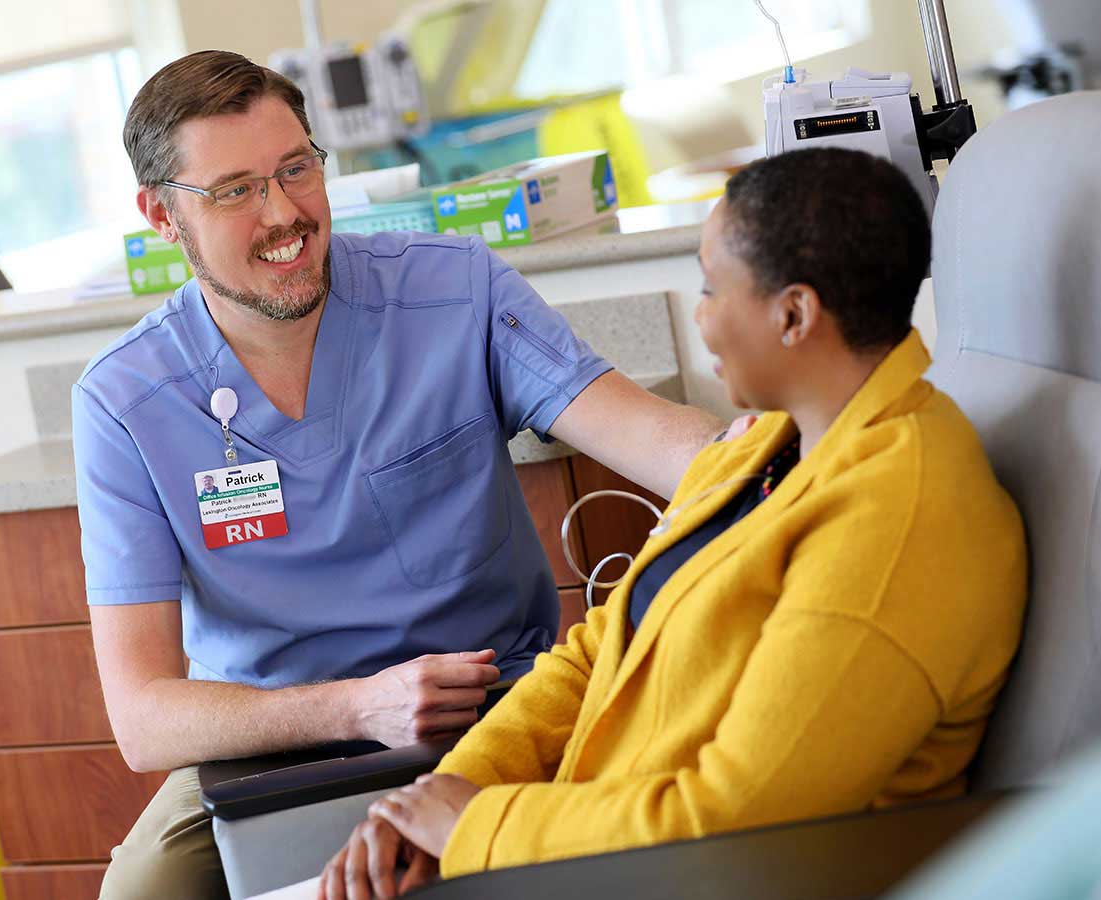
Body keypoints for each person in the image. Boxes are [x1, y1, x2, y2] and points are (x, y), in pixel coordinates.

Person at [72, 51, 728, 898]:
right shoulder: (126, 401)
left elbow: (656, 440)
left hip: (497, 707)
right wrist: (355, 706)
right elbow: (142, 720)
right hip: (273, 746)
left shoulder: (453, 291)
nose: (284, 214)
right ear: (163, 214)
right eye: (235, 191)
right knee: (143, 889)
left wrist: (783, 454)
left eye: (296, 169)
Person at [319, 147, 1029, 900]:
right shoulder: (769, 445)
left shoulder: (894, 521)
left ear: (793, 315)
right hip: (590, 852)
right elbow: (597, 651)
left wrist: (477, 827)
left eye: (711, 288)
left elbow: (738, 822)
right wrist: (439, 799)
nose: (700, 315)